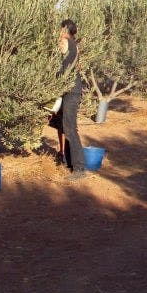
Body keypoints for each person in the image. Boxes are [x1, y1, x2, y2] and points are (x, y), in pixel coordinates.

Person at [51, 18, 86, 181]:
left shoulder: (64, 41)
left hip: (71, 90)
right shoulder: (74, 45)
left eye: (60, 29)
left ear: (65, 30)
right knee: (65, 126)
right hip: (69, 89)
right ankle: (69, 162)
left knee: (70, 128)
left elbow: (57, 48)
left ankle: (79, 168)